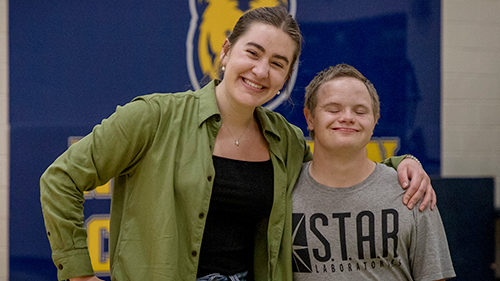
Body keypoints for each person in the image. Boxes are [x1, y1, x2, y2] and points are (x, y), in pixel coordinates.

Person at [40, 6, 435, 281]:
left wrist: (402, 162)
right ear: (227, 51)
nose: (261, 71)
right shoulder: (153, 117)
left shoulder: (285, 140)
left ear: (286, 77)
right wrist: (79, 273)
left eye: (278, 63)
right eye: (253, 53)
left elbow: (338, 162)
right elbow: (60, 181)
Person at [292, 64, 455, 280]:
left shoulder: (412, 191)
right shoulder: (283, 191)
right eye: (333, 109)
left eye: (360, 111)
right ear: (309, 118)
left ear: (375, 120)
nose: (348, 117)